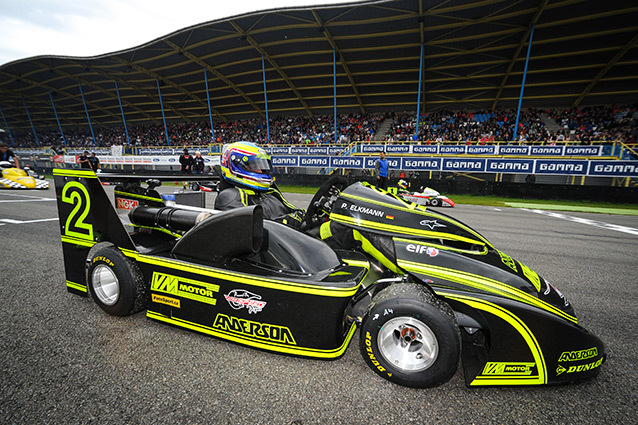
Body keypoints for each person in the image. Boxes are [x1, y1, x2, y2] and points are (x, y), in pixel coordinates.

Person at [214, 142, 305, 228]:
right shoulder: (231, 196)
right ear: (236, 167)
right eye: (254, 166)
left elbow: (298, 212)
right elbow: (250, 229)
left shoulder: (271, 192)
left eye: (262, 165)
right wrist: (285, 222)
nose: (261, 171)